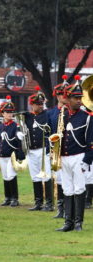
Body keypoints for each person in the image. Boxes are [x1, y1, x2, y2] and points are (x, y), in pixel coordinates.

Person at [56, 75, 93, 232]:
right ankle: (68, 222)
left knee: (79, 188)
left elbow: (91, 143)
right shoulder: (62, 115)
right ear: (68, 98)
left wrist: (86, 160)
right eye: (75, 98)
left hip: (79, 157)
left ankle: (78, 222)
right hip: (64, 157)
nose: (78, 100)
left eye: (80, 97)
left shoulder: (87, 118)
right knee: (67, 188)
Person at [19, 86, 53, 211]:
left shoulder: (47, 115)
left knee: (46, 175)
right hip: (31, 150)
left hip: (43, 149)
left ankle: (49, 203)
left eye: (41, 104)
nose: (40, 106)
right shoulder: (27, 116)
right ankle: (38, 202)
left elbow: (51, 130)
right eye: (37, 104)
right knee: (35, 176)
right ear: (31, 104)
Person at [0, 96, 24, 207]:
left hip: (12, 155)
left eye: (11, 112)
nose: (10, 114)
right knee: (5, 176)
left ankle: (15, 198)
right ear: (2, 113)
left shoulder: (16, 126)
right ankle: (8, 197)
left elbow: (18, 139)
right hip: (1, 155)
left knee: (11, 175)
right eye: (7, 112)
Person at [47, 75, 69, 218]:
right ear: (57, 95)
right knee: (59, 179)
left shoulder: (71, 111)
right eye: (60, 94)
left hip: (69, 149)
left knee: (69, 180)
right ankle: (60, 208)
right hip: (56, 149)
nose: (63, 96)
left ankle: (69, 208)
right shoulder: (51, 113)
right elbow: (49, 131)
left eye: (65, 93)